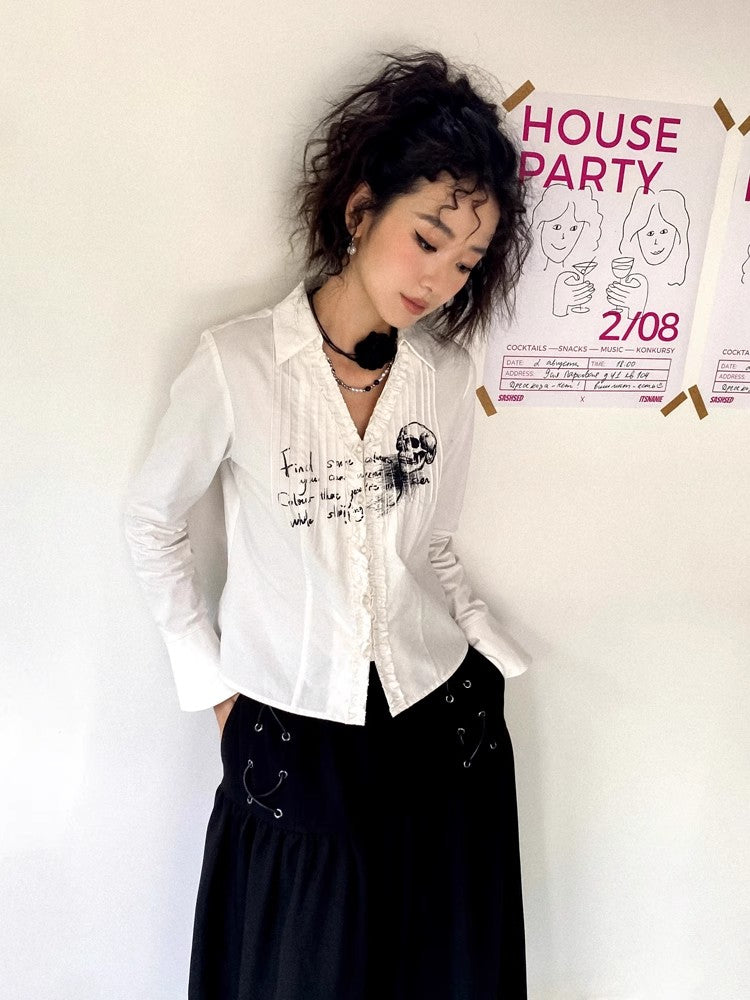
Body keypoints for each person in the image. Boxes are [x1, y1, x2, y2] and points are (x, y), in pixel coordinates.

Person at [123, 47, 532, 999]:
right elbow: (151, 521)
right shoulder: (239, 364)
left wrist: (486, 640)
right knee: (299, 971)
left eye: (466, 262)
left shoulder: (445, 378)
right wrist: (216, 692)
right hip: (291, 735)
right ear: (360, 212)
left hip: (442, 722)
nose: (441, 279)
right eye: (428, 239)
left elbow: (433, 542)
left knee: (437, 969)